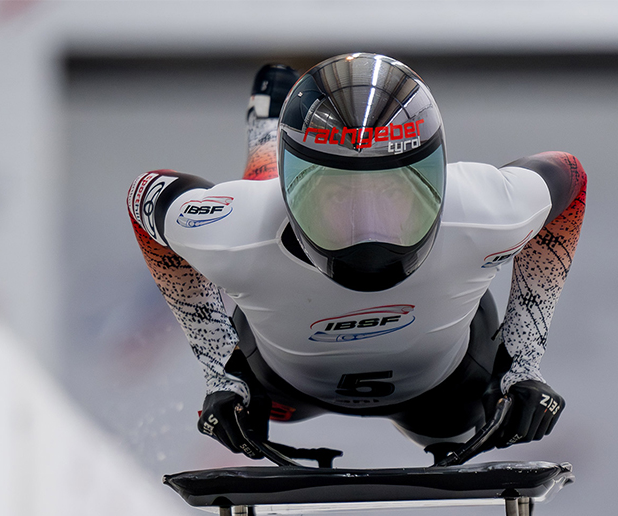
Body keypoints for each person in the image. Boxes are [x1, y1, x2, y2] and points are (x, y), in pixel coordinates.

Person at [127, 53, 586, 463]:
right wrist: (519, 361)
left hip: (334, 388)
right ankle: (272, 150)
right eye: (336, 195)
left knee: (457, 423)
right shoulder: (490, 210)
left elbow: (145, 196)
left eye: (391, 192)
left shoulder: (236, 235)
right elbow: (569, 175)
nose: (368, 227)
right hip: (379, 387)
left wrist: (222, 370)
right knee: (256, 202)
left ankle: (275, 146)